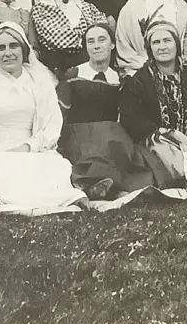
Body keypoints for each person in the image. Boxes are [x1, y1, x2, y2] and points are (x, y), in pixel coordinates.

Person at [0, 22, 86, 210]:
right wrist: (4, 151)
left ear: (24, 50)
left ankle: (67, 197)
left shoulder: (40, 82)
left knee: (53, 165)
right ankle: (61, 200)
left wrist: (28, 147)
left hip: (34, 148)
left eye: (13, 46)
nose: (8, 53)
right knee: (6, 168)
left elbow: (52, 124)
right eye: (1, 48)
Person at [55, 22, 156, 198]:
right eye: (91, 41)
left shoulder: (120, 79)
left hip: (110, 138)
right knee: (98, 148)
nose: (96, 46)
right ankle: (97, 185)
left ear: (112, 45)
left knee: (117, 146)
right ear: (86, 47)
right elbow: (60, 113)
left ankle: (107, 186)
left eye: (101, 40)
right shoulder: (74, 75)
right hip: (79, 137)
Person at [118, 20, 187, 188]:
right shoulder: (138, 81)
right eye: (156, 42)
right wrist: (168, 133)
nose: (162, 47)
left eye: (167, 40)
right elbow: (131, 121)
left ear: (177, 45)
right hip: (156, 144)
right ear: (150, 48)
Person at [30, 0, 107, 76]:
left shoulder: (85, 5)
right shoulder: (41, 8)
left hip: (93, 67)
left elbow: (104, 30)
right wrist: (92, 37)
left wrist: (89, 37)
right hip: (62, 72)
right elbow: (62, 41)